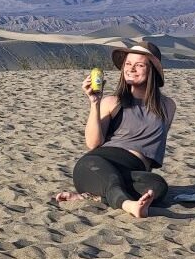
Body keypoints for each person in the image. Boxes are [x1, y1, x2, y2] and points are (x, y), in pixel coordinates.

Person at [55, 41, 176, 218]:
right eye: (128, 64)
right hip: (97, 163)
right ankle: (129, 206)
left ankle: (92, 198)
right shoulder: (112, 102)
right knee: (111, 178)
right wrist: (95, 103)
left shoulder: (167, 106)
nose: (131, 69)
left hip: (133, 170)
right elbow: (92, 143)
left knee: (158, 186)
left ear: (153, 71)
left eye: (139, 65)